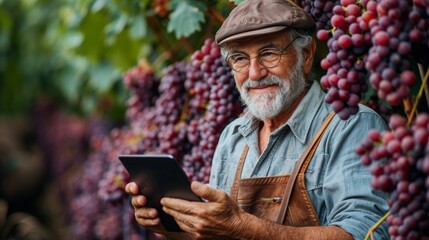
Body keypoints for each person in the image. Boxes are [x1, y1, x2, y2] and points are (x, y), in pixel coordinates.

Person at [125, 0, 390, 239]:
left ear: (306, 55)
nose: (255, 72)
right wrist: (176, 229)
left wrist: (244, 227)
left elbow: (366, 234)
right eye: (240, 58)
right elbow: (221, 234)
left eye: (269, 53)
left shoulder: (351, 125)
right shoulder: (233, 136)